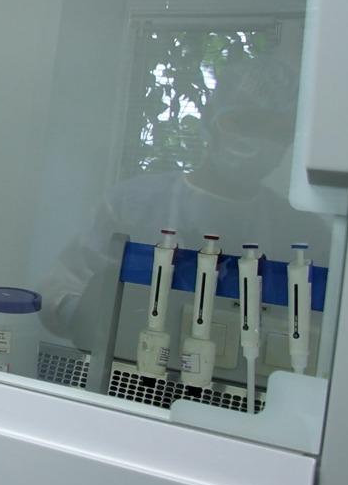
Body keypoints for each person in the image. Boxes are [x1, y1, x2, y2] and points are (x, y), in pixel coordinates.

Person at [38, 55, 333, 352]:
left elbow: (323, 327)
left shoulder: (302, 232)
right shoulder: (133, 205)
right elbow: (62, 287)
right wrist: (82, 316)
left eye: (277, 132)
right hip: (133, 373)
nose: (259, 142)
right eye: (246, 123)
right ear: (211, 120)